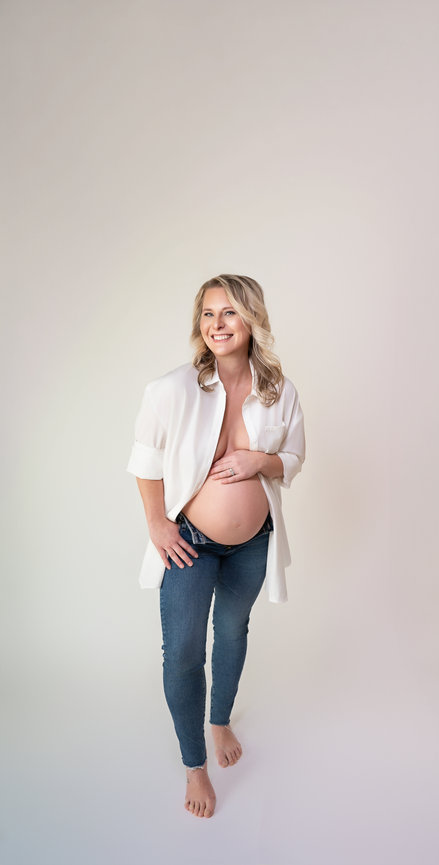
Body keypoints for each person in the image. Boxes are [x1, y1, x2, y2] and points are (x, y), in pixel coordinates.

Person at [126, 274, 305, 818]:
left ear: (251, 319)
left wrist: (259, 461)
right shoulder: (170, 389)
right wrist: (158, 524)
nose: (216, 325)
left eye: (228, 313)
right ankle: (194, 764)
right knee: (181, 651)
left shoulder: (280, 390)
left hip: (253, 542)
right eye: (207, 314)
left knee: (231, 630)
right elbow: (145, 461)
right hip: (190, 542)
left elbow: (293, 460)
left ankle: (220, 718)